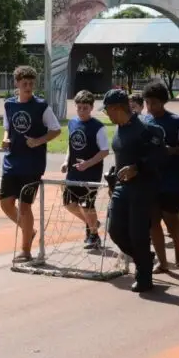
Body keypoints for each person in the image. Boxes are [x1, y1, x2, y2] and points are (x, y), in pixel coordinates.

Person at [101, 89, 168, 293]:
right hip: (122, 188)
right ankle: (144, 258)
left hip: (143, 187)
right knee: (115, 230)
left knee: (137, 233)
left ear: (117, 108)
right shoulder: (119, 129)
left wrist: (137, 168)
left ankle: (144, 275)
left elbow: (160, 156)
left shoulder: (146, 128)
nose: (107, 115)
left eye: (107, 111)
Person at [1, 65, 62, 263]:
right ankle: (30, 231)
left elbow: (55, 130)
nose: (28, 87)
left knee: (25, 207)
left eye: (31, 83)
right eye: (24, 83)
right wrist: (5, 139)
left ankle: (25, 250)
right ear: (16, 84)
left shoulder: (41, 106)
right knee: (5, 204)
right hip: (12, 161)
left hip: (32, 164)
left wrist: (38, 141)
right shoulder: (9, 105)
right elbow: (7, 127)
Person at [141, 81, 179, 272]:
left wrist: (171, 151)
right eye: (147, 102)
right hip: (151, 176)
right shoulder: (144, 121)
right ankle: (162, 261)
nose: (150, 107)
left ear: (163, 102)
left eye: (154, 103)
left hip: (172, 176)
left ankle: (178, 243)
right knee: (153, 219)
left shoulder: (176, 122)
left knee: (170, 215)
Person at [60, 90, 110, 250]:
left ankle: (94, 236)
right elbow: (71, 144)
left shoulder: (98, 127)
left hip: (91, 173)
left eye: (85, 108)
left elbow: (104, 151)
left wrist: (88, 163)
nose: (82, 111)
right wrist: (66, 160)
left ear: (91, 108)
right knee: (68, 203)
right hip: (73, 172)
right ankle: (92, 223)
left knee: (88, 205)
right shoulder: (72, 123)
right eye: (79, 107)